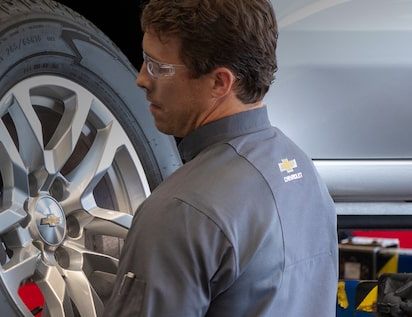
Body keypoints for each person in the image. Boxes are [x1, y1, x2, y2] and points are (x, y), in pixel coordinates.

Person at [101, 0, 338, 316]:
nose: (142, 79)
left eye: (158, 67)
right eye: (145, 60)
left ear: (219, 82)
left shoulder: (181, 211)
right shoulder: (302, 170)